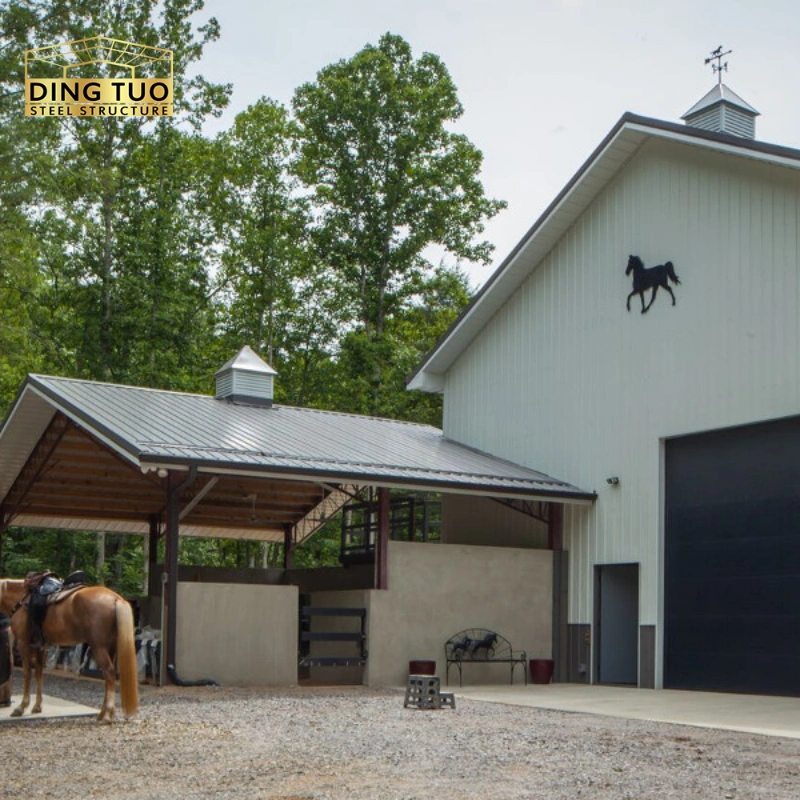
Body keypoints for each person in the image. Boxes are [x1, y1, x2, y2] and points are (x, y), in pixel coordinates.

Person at [0, 612, 12, 707]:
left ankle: (4, 697)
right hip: (5, 627)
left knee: (4, 664)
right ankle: (5, 697)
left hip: (3, 628)